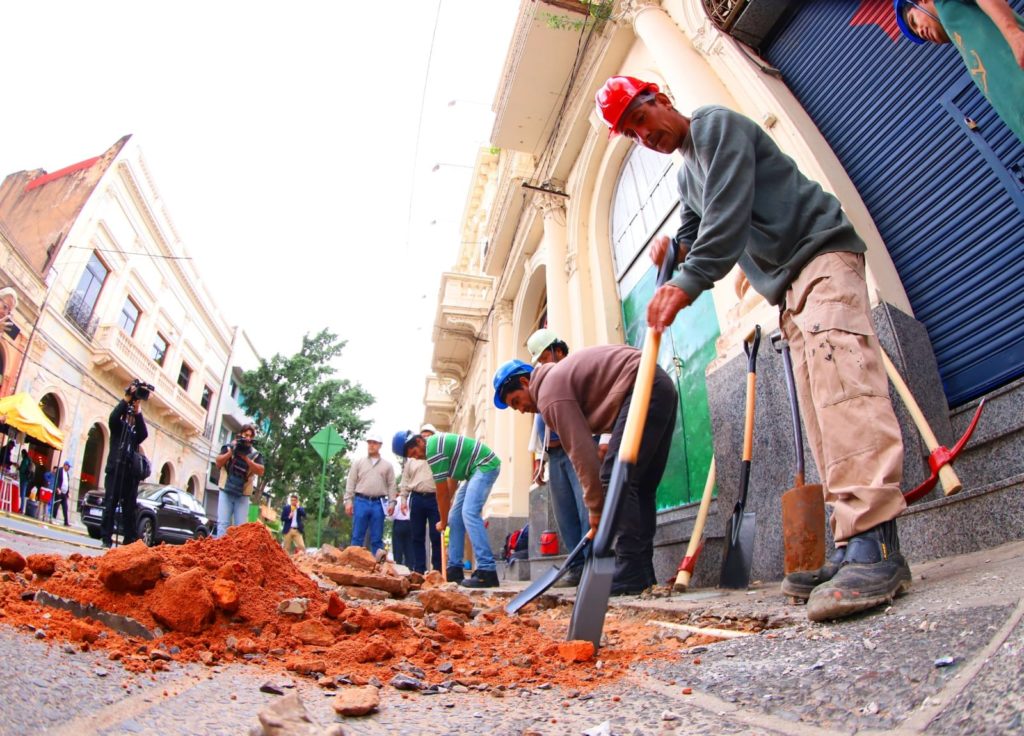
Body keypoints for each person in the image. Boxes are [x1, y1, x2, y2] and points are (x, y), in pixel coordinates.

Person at [594, 75, 911, 620]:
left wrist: (685, 283)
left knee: (845, 400)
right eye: (631, 133)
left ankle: (877, 546)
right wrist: (675, 249)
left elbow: (725, 219)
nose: (644, 136)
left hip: (820, 259)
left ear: (663, 100)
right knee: (822, 417)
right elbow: (697, 229)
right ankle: (851, 538)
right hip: (790, 287)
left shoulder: (714, 126)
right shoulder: (688, 173)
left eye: (642, 119)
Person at [494, 345, 677, 596]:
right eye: (515, 408)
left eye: (517, 401)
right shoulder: (557, 380)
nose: (522, 409)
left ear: (526, 382)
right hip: (658, 384)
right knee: (639, 485)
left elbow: (581, 453)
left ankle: (630, 569)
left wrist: (595, 508)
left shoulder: (549, 393)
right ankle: (641, 572)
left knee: (615, 477)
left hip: (643, 387)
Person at [895, 0, 1024, 144]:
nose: (920, 31)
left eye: (914, 22)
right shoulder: (964, 39)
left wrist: (1014, 33)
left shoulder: (944, 3)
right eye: (916, 33)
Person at [521, 328, 589, 588]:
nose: (540, 366)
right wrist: (539, 458)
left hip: (575, 446)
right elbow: (541, 422)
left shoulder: (571, 372)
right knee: (565, 513)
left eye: (543, 359)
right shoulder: (543, 383)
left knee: (585, 509)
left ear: (557, 351)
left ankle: (592, 563)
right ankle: (577, 567)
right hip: (554, 455)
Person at [392, 428, 501, 588]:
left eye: (414, 452)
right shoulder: (435, 447)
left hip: (485, 465)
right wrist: (447, 516)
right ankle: (454, 569)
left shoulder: (433, 450)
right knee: (455, 518)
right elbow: (452, 480)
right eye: (411, 457)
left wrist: (442, 521)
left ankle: (487, 571)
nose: (416, 457)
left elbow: (441, 493)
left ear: (419, 441)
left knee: (469, 512)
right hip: (472, 472)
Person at [100, 381, 150, 547]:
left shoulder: (135, 433)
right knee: (110, 504)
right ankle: (106, 539)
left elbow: (143, 434)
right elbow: (113, 417)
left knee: (129, 508)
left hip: (130, 474)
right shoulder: (118, 427)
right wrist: (126, 398)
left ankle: (129, 540)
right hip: (115, 469)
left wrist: (138, 412)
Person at [398, 425, 443, 573]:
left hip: (435, 498)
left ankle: (437, 569)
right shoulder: (411, 460)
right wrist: (403, 499)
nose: (425, 439)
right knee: (416, 535)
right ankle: (419, 569)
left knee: (436, 535)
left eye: (428, 435)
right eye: (423, 436)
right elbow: (405, 480)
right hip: (417, 498)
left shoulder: (437, 454)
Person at [343, 433, 396, 555]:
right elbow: (351, 481)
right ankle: (354, 562)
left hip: (379, 503)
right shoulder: (358, 462)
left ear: (380, 445)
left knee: (377, 537)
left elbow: (392, 485)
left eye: (374, 443)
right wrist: (348, 501)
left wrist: (392, 502)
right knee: (357, 535)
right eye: (369, 442)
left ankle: (377, 565)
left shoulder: (387, 466)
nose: (371, 445)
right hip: (361, 500)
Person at [214, 424, 265, 537]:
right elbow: (218, 462)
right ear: (240, 435)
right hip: (225, 490)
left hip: (243, 494)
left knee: (241, 528)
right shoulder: (228, 447)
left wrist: (247, 459)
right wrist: (231, 452)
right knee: (223, 524)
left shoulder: (255, 454)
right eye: (246, 435)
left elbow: (261, 471)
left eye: (250, 436)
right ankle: (221, 551)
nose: (248, 438)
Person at [388, 486, 413, 567]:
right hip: (409, 524)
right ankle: (410, 567)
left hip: (399, 523)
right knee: (409, 548)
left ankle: (398, 566)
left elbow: (393, 515)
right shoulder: (411, 499)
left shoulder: (398, 500)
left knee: (397, 548)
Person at [51, 461, 70, 526]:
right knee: (56, 506)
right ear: (65, 465)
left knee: (65, 507)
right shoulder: (60, 471)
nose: (69, 468)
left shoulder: (67, 474)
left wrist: (68, 492)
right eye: (68, 466)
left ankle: (66, 522)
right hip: (59, 492)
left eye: (69, 467)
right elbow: (57, 480)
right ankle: (53, 518)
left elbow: (67, 483)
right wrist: (57, 488)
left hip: (64, 493)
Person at [18, 449, 34, 515]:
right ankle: (21, 508)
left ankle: (21, 508)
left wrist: (18, 468)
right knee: (23, 493)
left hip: (24, 479)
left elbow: (22, 469)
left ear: (23, 454)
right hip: (26, 479)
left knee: (22, 493)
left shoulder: (25, 460)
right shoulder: (28, 460)